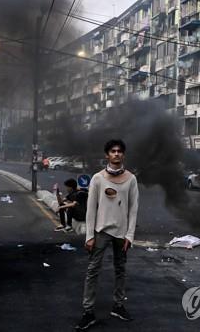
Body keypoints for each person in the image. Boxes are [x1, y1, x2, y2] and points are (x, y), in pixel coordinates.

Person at [76, 139, 139, 331]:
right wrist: (89, 235)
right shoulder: (97, 178)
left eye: (120, 151)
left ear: (124, 155)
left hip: (121, 234)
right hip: (101, 231)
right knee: (93, 271)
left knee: (120, 269)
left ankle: (118, 306)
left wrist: (130, 236)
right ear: (107, 155)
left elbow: (133, 209)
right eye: (113, 151)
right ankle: (88, 312)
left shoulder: (131, 179)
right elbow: (91, 209)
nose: (117, 154)